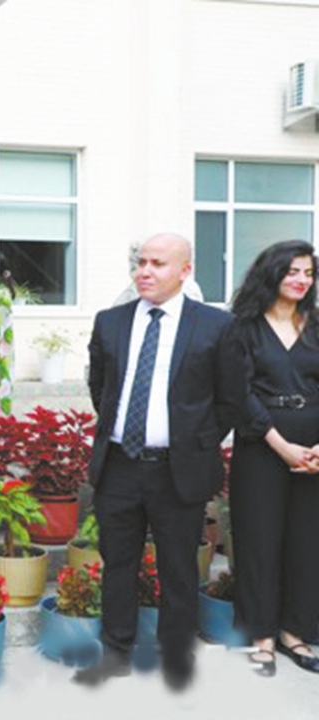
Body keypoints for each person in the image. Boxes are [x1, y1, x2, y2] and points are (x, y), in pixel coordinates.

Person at [76, 232, 237, 691]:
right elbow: (101, 388)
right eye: (140, 262)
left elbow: (229, 398)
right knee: (118, 564)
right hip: (120, 465)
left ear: (185, 270)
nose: (144, 271)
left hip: (178, 469)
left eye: (158, 264)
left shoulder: (214, 326)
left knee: (179, 568)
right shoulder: (111, 322)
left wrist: (196, 442)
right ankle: (115, 654)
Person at [221, 239, 319, 677]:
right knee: (259, 540)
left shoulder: (316, 323)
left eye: (309, 273)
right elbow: (238, 394)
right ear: (273, 273)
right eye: (293, 271)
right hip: (262, 443)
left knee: (307, 542)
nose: (301, 280)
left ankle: (295, 632)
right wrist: (281, 445)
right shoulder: (243, 326)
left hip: (314, 445)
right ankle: (261, 635)